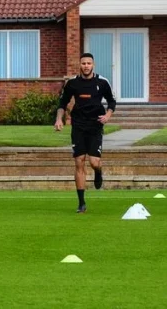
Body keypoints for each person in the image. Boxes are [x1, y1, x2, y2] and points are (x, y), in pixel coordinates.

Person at [55, 52, 116, 214]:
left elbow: (112, 101)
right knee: (79, 161)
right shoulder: (72, 83)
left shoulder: (102, 82)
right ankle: (81, 203)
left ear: (93, 65)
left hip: (95, 125)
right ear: (80, 65)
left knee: (94, 162)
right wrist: (59, 119)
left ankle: (98, 172)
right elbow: (63, 102)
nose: (86, 66)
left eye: (89, 63)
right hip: (78, 126)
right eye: (83, 63)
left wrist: (108, 115)